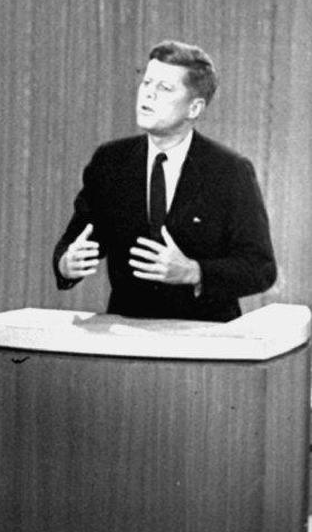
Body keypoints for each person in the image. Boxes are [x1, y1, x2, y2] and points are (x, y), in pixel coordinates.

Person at [53, 40, 276, 322]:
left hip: (205, 340)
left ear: (194, 108)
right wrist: (66, 263)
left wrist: (194, 271)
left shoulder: (230, 171)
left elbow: (261, 269)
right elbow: (76, 239)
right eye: (146, 83)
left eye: (164, 88)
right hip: (127, 333)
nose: (148, 95)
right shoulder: (110, 162)